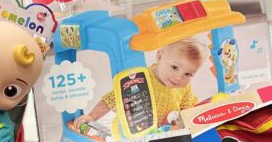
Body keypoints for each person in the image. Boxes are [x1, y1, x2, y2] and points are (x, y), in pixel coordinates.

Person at [73, 38, 207, 131]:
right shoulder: (140, 79)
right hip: (137, 131)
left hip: (166, 132)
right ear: (160, 57)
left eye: (188, 74)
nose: (179, 77)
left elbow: (187, 108)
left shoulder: (184, 87)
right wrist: (91, 117)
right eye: (174, 67)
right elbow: (112, 99)